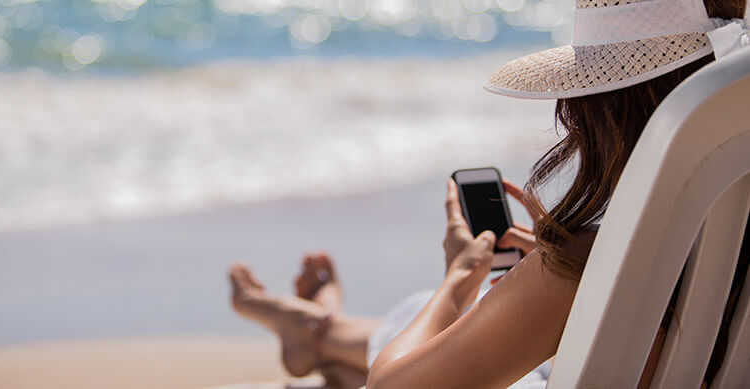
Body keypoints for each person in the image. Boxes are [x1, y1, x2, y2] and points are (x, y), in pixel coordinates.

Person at [228, 0, 748, 387]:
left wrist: (457, 277)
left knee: (447, 313)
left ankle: (317, 332)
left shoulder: (579, 272)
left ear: (602, 110)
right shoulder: (727, 236)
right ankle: (317, 334)